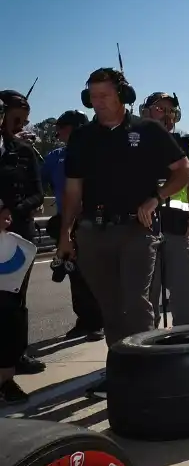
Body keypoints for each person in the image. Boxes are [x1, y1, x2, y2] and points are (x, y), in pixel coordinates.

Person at [59, 68, 189, 398]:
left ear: (123, 96)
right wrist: (66, 233)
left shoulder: (148, 131)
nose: (97, 102)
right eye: (92, 96)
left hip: (137, 228)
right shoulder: (82, 137)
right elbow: (73, 191)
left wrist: (156, 198)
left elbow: (184, 172)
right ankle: (120, 369)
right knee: (111, 307)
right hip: (92, 231)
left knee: (134, 303)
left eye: (104, 95)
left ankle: (148, 371)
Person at [41, 110, 103, 341]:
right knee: (75, 274)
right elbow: (39, 182)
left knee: (94, 273)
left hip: (93, 221)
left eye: (62, 126)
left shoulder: (97, 153)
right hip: (66, 223)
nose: (57, 131)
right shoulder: (55, 156)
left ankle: (99, 320)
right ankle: (85, 320)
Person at [0, 91, 45, 404]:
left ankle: (7, 375)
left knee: (12, 306)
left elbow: (38, 194)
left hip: (15, 236)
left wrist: (11, 212)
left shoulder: (24, 151)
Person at [141, 92, 189, 326]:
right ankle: (147, 344)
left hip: (177, 227)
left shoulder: (186, 146)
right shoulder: (133, 142)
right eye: (159, 109)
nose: (166, 115)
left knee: (184, 289)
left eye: (171, 111)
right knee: (146, 295)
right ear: (145, 112)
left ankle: (187, 342)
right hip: (143, 228)